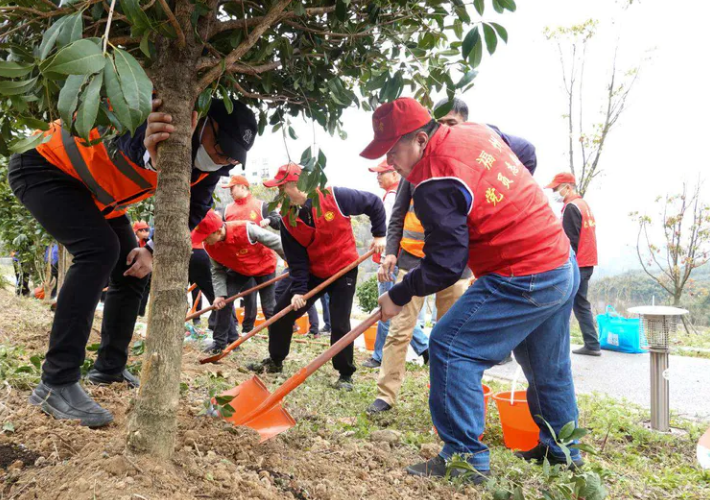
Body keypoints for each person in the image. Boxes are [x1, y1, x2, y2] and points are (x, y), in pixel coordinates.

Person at [362, 98, 581, 482]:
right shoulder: (475, 130)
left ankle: (465, 458)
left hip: (522, 273)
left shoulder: (434, 181)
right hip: (559, 260)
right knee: (547, 366)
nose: (391, 162)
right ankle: (563, 450)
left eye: (394, 150)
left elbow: (446, 264)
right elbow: (525, 151)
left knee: (450, 347)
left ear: (419, 138)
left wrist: (397, 295)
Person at [8, 96, 257, 427]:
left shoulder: (214, 166)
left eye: (230, 157)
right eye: (220, 147)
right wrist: (153, 159)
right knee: (99, 251)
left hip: (97, 195)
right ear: (200, 121)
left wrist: (151, 250)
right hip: (45, 164)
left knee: (133, 266)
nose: (222, 159)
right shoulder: (161, 115)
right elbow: (128, 140)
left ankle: (109, 368)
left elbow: (194, 206)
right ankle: (56, 383)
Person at [252, 163, 387, 390]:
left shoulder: (334, 196)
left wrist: (379, 235)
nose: (280, 193)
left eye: (283, 187)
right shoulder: (287, 216)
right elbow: (296, 259)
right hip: (314, 272)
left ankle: (345, 374)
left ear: (297, 184)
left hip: (344, 267)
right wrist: (298, 290)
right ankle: (275, 360)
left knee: (340, 321)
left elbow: (373, 203)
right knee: (281, 314)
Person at [437, 96, 539, 366]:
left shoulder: (487, 139)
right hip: (489, 258)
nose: (447, 130)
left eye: (452, 122)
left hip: (526, 259)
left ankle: (499, 351)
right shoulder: (444, 157)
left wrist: (513, 188)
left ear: (465, 122)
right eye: (441, 124)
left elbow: (527, 151)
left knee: (450, 342)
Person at [362, 161, 430, 370]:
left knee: (390, 308)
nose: (378, 177)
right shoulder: (394, 196)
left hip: (394, 262)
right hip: (396, 261)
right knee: (393, 308)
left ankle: (383, 355)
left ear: (394, 174)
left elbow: (393, 230)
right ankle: (420, 349)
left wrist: (386, 261)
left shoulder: (393, 198)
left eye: (381, 173)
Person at [192, 210, 284, 354]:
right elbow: (217, 270)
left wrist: (291, 262)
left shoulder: (246, 229)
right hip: (239, 269)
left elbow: (276, 242)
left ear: (217, 231)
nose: (204, 241)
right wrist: (220, 295)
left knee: (269, 308)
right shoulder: (210, 246)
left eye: (205, 237)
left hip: (264, 266)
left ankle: (276, 351)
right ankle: (220, 343)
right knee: (224, 301)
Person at [547, 172, 600, 356]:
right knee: (580, 303)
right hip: (588, 261)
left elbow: (570, 241)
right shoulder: (583, 205)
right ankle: (592, 343)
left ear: (567, 187)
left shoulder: (571, 207)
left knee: (560, 303)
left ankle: (556, 348)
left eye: (556, 189)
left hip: (578, 263)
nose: (554, 192)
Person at [223, 174, 280, 334]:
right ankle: (230, 338)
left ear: (242, 186)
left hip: (263, 263)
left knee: (269, 307)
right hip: (240, 265)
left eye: (232, 188)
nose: (230, 192)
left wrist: (269, 220)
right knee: (226, 299)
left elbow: (278, 222)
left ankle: (276, 348)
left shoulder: (261, 205)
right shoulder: (228, 210)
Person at [189, 226, 219, 330]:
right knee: (211, 292)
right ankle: (211, 322)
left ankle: (200, 319)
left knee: (208, 291)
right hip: (198, 251)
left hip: (197, 250)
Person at [133, 221, 152, 316]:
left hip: (147, 269)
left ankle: (140, 312)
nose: (144, 232)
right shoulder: (133, 242)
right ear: (136, 231)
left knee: (146, 289)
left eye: (146, 229)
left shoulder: (149, 242)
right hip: (135, 269)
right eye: (141, 230)